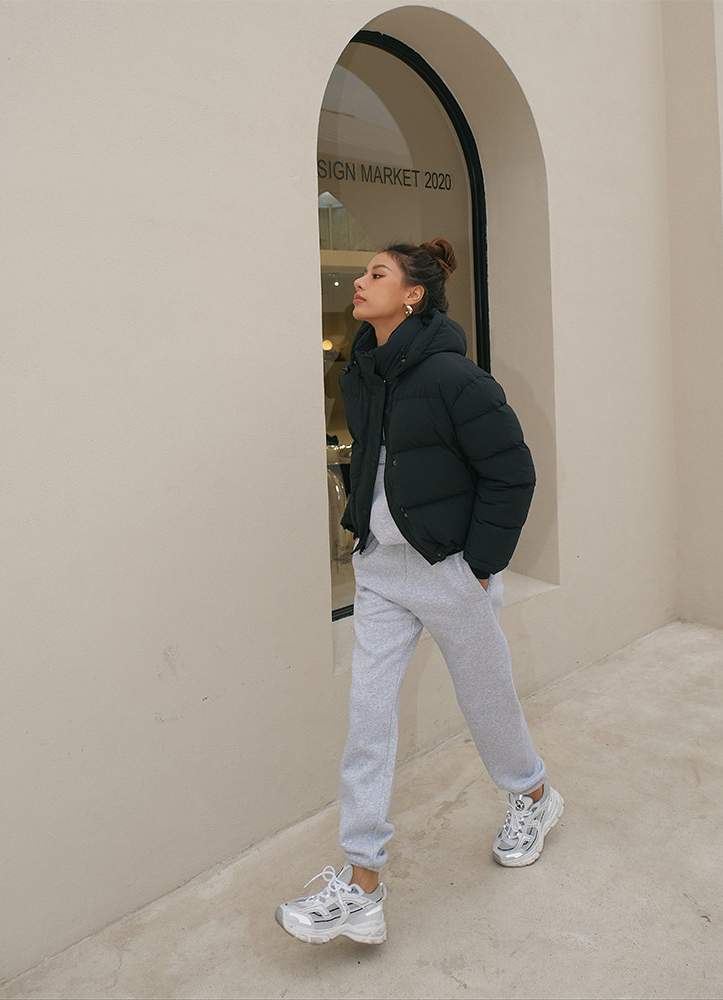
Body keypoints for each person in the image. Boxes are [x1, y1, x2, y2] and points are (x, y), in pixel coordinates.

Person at [275, 238, 563, 946]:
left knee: (486, 701)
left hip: (446, 570)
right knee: (368, 718)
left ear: (412, 295)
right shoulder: (362, 371)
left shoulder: (454, 378)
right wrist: (362, 534)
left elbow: (513, 472)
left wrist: (480, 565)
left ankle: (532, 794)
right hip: (380, 572)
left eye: (377, 274)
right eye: (362, 273)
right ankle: (362, 883)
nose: (359, 282)